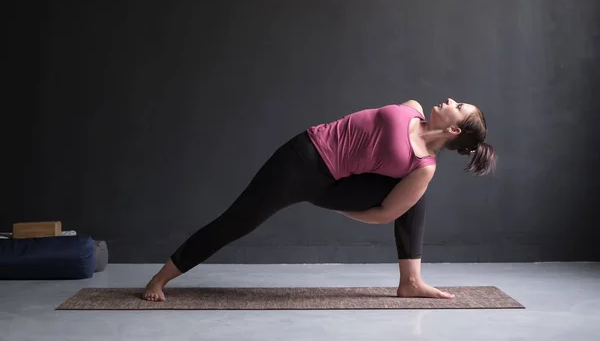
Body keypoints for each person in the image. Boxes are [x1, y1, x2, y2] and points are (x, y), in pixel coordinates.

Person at [142, 98, 496, 301]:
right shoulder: (413, 107)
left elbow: (386, 213)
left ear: (454, 130)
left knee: (415, 192)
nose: (449, 100)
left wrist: (340, 208)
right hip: (301, 158)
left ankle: (411, 281)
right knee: (236, 222)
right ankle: (160, 278)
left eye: (458, 105)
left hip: (330, 184)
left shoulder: (422, 165)